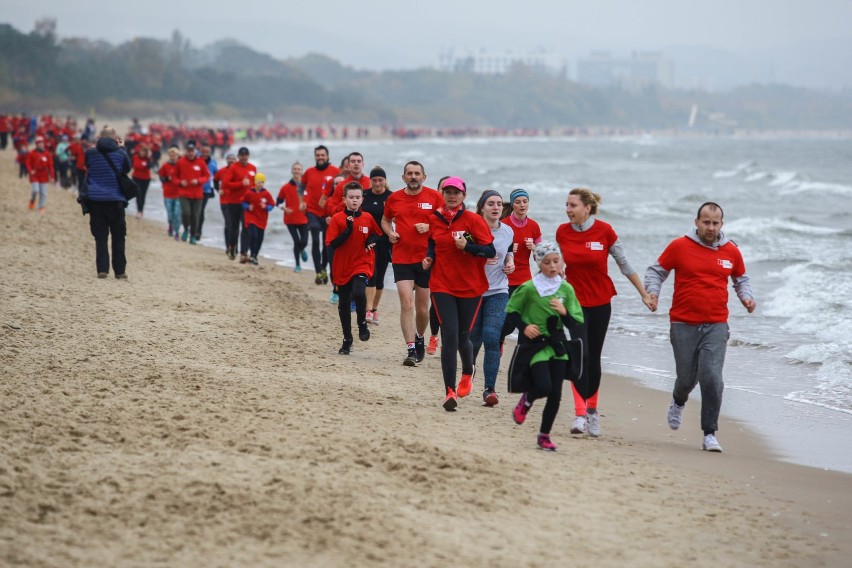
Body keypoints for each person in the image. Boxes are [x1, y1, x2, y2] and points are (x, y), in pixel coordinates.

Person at [644, 202, 756, 453]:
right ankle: (678, 400)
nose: (710, 227)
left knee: (712, 377)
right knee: (686, 378)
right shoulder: (679, 246)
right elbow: (656, 271)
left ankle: (709, 433)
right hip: (683, 323)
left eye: (715, 223)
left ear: (722, 225)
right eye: (706, 222)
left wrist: (746, 297)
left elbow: (741, 279)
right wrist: (652, 293)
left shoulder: (731, 251)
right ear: (696, 222)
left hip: (716, 323)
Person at [555, 188, 653, 437]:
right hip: (574, 303)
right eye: (566, 205)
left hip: (600, 302)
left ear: (587, 207)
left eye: (573, 205)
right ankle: (578, 414)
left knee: (594, 357)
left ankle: (592, 412)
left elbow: (624, 264)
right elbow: (558, 264)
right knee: (580, 354)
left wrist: (643, 293)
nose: (568, 210)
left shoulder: (605, 231)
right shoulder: (562, 232)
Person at [422, 177, 495, 411]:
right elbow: (433, 242)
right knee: (450, 336)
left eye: (456, 192)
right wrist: (429, 257)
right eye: (448, 192)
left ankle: (468, 370)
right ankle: (449, 392)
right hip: (442, 285)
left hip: (471, 287)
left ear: (464, 196)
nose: (452, 196)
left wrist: (469, 247)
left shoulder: (473, 220)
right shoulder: (434, 219)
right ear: (442, 194)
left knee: (464, 337)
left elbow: (490, 250)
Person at [508, 242, 585, 451]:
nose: (552, 266)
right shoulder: (529, 288)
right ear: (539, 264)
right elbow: (512, 311)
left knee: (556, 395)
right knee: (543, 386)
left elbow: (575, 323)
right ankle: (526, 400)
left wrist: (564, 312)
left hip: (558, 346)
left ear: (561, 263)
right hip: (536, 346)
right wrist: (524, 328)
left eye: (556, 261)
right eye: (547, 262)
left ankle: (544, 435)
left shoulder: (566, 289)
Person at [382, 161, 444, 366]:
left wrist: (428, 226)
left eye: (417, 173)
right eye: (409, 173)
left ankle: (420, 336)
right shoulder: (394, 198)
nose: (413, 177)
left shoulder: (434, 197)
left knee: (423, 309)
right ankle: (410, 349)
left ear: (424, 177)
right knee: (406, 303)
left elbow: (446, 223)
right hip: (401, 258)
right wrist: (390, 232)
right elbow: (385, 220)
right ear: (403, 177)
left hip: (426, 259)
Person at [469, 190, 515, 406]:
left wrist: (510, 264)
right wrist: (479, 258)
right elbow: (461, 255)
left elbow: (509, 253)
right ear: (482, 208)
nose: (496, 207)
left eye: (498, 204)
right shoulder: (471, 229)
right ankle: (468, 373)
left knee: (491, 336)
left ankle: (490, 389)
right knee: (473, 340)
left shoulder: (508, 231)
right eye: (490, 204)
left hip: (498, 290)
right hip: (473, 291)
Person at [325, 182, 382, 354]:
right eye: (351, 197)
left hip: (362, 262)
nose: (354, 201)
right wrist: (347, 231)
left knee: (358, 292)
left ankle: (362, 324)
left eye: (357, 197)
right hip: (342, 266)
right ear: (344, 199)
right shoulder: (337, 219)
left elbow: (378, 235)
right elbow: (332, 244)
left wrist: (371, 240)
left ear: (362, 199)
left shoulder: (368, 218)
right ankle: (347, 339)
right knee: (343, 305)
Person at [79, 127, 130, 279]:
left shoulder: (90, 153)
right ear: (115, 137)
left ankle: (102, 269)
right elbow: (127, 168)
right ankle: (120, 271)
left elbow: (87, 166)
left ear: (100, 137)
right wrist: (122, 148)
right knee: (118, 236)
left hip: (96, 199)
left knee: (100, 237)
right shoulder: (120, 153)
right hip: (115, 200)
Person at [500, 188, 543, 349]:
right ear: (512, 204)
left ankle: (522, 351)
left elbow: (541, 260)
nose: (522, 205)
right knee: (509, 321)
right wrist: (508, 249)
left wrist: (535, 249)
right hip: (505, 277)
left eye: (525, 201)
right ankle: (500, 337)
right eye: (518, 202)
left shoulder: (534, 226)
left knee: (526, 319)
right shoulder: (503, 225)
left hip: (525, 278)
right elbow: (493, 253)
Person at [326, 152, 371, 304]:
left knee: (365, 270)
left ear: (363, 164)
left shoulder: (370, 183)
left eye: (359, 161)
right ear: (348, 165)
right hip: (344, 232)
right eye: (353, 161)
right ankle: (342, 293)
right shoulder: (341, 186)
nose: (356, 164)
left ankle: (364, 303)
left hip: (365, 231)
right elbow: (331, 208)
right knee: (340, 266)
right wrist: (345, 203)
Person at [298, 145, 340, 284]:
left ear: (327, 156)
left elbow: (340, 189)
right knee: (315, 237)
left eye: (323, 155)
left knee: (325, 244)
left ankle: (323, 268)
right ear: (315, 156)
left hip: (328, 213)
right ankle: (318, 272)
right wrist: (301, 201)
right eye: (318, 155)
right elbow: (301, 187)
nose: (320, 157)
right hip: (312, 210)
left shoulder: (335, 171)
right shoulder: (309, 172)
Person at [361, 166, 392, 325]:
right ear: (370, 180)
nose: (378, 183)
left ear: (385, 181)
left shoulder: (391, 197)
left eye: (380, 180)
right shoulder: (364, 195)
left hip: (385, 242)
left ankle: (374, 308)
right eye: (374, 180)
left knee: (380, 278)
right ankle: (367, 310)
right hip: (368, 242)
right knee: (371, 276)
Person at [426, 175, 450, 355]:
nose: (448, 194)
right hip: (435, 263)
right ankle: (434, 336)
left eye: (452, 191)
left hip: (455, 267)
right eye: (444, 189)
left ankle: (448, 340)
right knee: (435, 303)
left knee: (452, 305)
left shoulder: (463, 213)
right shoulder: (434, 213)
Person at [220, 146, 256, 262]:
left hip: (247, 203)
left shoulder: (253, 168)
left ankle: (244, 253)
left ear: (248, 156)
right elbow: (226, 184)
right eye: (241, 155)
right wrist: (241, 183)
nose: (244, 157)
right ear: (238, 156)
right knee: (234, 227)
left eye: (246, 155)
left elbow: (254, 186)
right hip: (234, 202)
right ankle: (232, 246)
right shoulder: (233, 168)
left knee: (246, 227)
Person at [174, 141, 210, 245]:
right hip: (184, 193)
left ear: (195, 151)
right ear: (186, 151)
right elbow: (174, 177)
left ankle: (193, 235)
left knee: (195, 216)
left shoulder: (201, 162)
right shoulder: (180, 162)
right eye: (189, 151)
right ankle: (186, 229)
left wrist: (199, 181)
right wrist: (180, 182)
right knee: (186, 213)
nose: (190, 153)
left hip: (197, 194)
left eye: (192, 151)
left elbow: (207, 176)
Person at [277, 161, 309, 272]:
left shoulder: (306, 187)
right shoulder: (285, 187)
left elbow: (312, 200)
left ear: (302, 172)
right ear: (292, 171)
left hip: (304, 218)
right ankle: (297, 265)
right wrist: (284, 208)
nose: (296, 171)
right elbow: (278, 201)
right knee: (296, 241)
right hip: (290, 219)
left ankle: (302, 250)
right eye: (294, 169)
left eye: (298, 169)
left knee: (304, 241)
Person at [241, 173, 275, 266]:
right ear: (255, 182)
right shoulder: (249, 192)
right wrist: (248, 207)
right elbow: (243, 202)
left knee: (260, 238)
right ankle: (252, 255)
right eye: (258, 182)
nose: (260, 184)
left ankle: (255, 256)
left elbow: (272, 205)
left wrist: (266, 207)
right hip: (251, 217)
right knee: (254, 236)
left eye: (262, 182)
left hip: (262, 219)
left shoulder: (266, 194)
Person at [158, 147, 182, 240]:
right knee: (170, 214)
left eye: (174, 155)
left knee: (177, 214)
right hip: (167, 193)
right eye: (171, 155)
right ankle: (170, 226)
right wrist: (167, 179)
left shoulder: (181, 165)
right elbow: (161, 176)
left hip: (179, 194)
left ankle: (177, 232)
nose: (172, 157)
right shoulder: (165, 165)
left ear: (177, 156)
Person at [25, 136, 54, 213]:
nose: (41, 144)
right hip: (35, 175)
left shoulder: (47, 154)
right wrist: (30, 171)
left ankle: (41, 207)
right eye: (39, 143)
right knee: (35, 190)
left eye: (42, 143)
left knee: (43, 193)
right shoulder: (32, 153)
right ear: (37, 144)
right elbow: (28, 163)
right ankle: (32, 200)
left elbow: (50, 166)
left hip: (44, 175)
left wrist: (52, 176)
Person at [198, 144, 218, 238]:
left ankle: (198, 231)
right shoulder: (196, 160)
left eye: (207, 152)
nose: (205, 154)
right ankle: (191, 228)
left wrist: (219, 187)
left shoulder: (213, 162)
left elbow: (217, 176)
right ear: (200, 151)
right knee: (193, 212)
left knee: (201, 211)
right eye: (203, 151)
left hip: (206, 190)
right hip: (194, 189)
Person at [131, 145, 153, 218]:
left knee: (143, 195)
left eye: (144, 152)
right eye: (142, 151)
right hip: (136, 178)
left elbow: (149, 167)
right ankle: (138, 211)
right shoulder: (135, 157)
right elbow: (131, 165)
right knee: (138, 194)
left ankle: (141, 210)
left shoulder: (148, 159)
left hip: (145, 179)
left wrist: (149, 158)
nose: (142, 153)